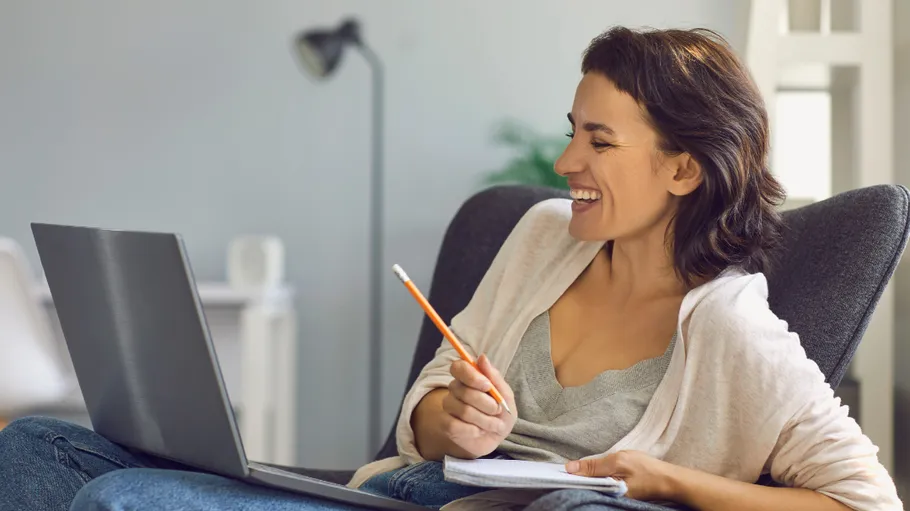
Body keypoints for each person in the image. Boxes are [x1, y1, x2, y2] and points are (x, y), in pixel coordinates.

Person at [0, 26, 902, 511]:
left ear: (683, 168)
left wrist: (663, 479)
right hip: (403, 492)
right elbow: (425, 408)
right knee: (35, 446)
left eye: (598, 140)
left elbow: (866, 503)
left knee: (122, 499)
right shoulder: (548, 235)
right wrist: (451, 423)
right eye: (569, 132)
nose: (564, 163)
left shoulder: (731, 327)